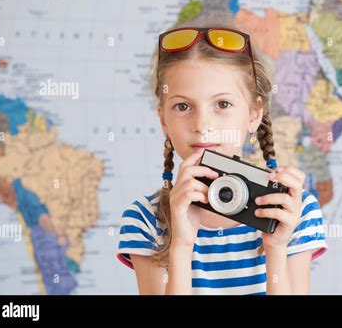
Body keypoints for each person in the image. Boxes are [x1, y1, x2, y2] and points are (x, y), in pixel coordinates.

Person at [116, 16, 328, 295]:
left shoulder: (293, 210)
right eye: (182, 106)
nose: (202, 125)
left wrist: (275, 249)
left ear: (254, 115)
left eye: (223, 104)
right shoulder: (145, 219)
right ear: (164, 120)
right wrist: (180, 245)